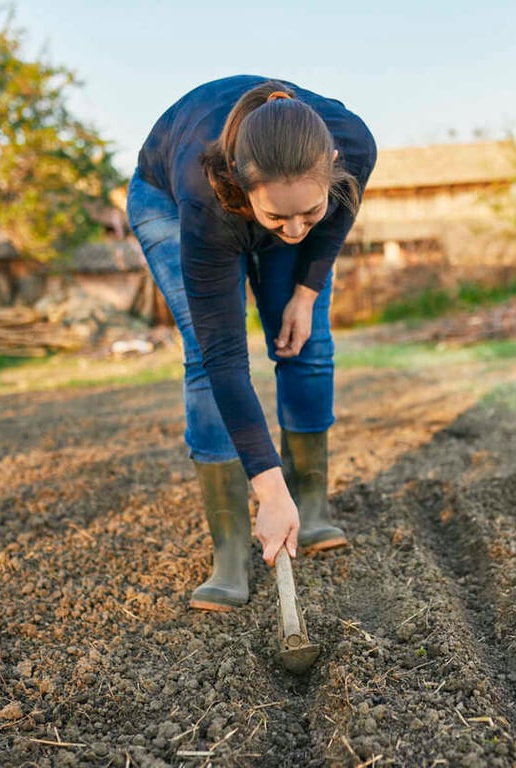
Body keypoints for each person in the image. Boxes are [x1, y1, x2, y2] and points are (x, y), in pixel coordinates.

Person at [126, 76, 377, 611]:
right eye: (277, 218)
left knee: (305, 343)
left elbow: (335, 218)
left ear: (331, 161)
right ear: (242, 183)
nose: (292, 231)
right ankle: (232, 547)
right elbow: (224, 357)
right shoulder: (205, 195)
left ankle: (308, 504)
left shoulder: (353, 143)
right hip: (168, 200)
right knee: (203, 354)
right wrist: (268, 488)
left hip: (280, 185)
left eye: (307, 212)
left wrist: (306, 292)